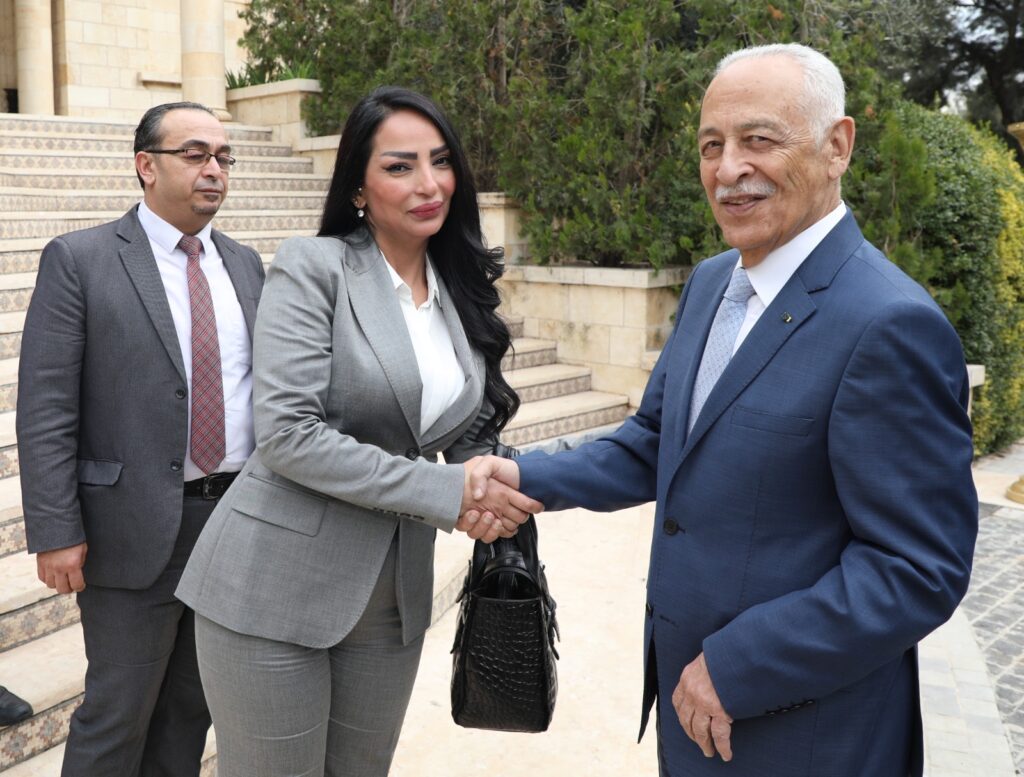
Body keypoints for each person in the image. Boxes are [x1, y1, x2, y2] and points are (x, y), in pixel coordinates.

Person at [469, 43, 978, 776]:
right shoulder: (712, 284)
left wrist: (740, 666)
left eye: (758, 139)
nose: (729, 168)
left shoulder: (891, 324)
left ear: (837, 147)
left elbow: (917, 568)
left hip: (803, 737)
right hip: (693, 724)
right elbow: (658, 440)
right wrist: (525, 477)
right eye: (712, 145)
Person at [175, 86, 542, 777]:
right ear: (358, 189)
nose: (429, 183)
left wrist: (524, 483)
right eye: (400, 166)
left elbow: (467, 437)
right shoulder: (313, 267)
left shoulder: (461, 288)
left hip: (393, 597)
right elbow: (288, 434)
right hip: (270, 586)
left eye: (440, 161)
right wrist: (449, 490)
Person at [17, 102, 265, 776]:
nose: (214, 170)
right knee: (117, 713)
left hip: (233, 522)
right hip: (129, 529)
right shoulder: (82, 259)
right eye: (195, 154)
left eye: (223, 157)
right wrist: (54, 528)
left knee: (191, 709)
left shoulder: (245, 265)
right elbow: (46, 406)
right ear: (146, 166)